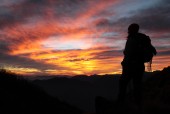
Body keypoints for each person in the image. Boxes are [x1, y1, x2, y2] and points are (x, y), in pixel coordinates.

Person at [118, 23, 156, 109]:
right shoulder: (142, 38)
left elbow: (128, 53)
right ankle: (138, 105)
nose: (128, 31)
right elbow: (151, 51)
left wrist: (124, 63)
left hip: (130, 67)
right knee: (137, 86)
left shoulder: (132, 39)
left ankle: (120, 104)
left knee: (123, 84)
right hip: (140, 66)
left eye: (129, 29)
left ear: (130, 30)